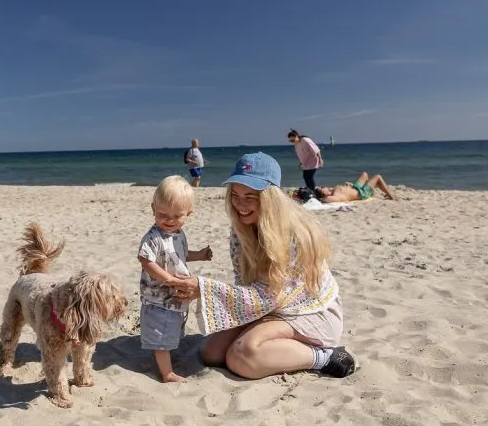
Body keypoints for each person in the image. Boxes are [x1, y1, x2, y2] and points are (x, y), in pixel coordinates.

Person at [167, 152, 356, 380]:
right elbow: (243, 282)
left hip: (308, 311)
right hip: (271, 306)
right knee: (211, 353)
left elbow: (273, 296)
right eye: (235, 195)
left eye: (250, 196)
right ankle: (270, 342)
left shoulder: (292, 234)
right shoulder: (242, 229)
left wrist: (203, 289)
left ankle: (325, 357)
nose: (240, 204)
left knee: (242, 356)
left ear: (269, 197)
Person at [137, 175, 213, 383]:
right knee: (161, 334)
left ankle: (166, 359)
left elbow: (181, 255)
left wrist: (200, 255)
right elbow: (146, 261)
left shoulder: (179, 234)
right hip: (158, 298)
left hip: (176, 297)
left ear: (188, 214)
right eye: (163, 215)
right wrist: (168, 279)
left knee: (172, 330)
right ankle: (167, 373)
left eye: (176, 216)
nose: (169, 221)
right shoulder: (153, 237)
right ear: (153, 209)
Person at [316, 172, 395, 202]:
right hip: (361, 193)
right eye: (322, 188)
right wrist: (323, 196)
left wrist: (348, 186)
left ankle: (371, 191)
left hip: (355, 187)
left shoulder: (332, 191)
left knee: (364, 174)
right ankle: (391, 196)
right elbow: (326, 199)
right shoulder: (334, 196)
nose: (323, 187)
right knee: (378, 176)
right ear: (324, 193)